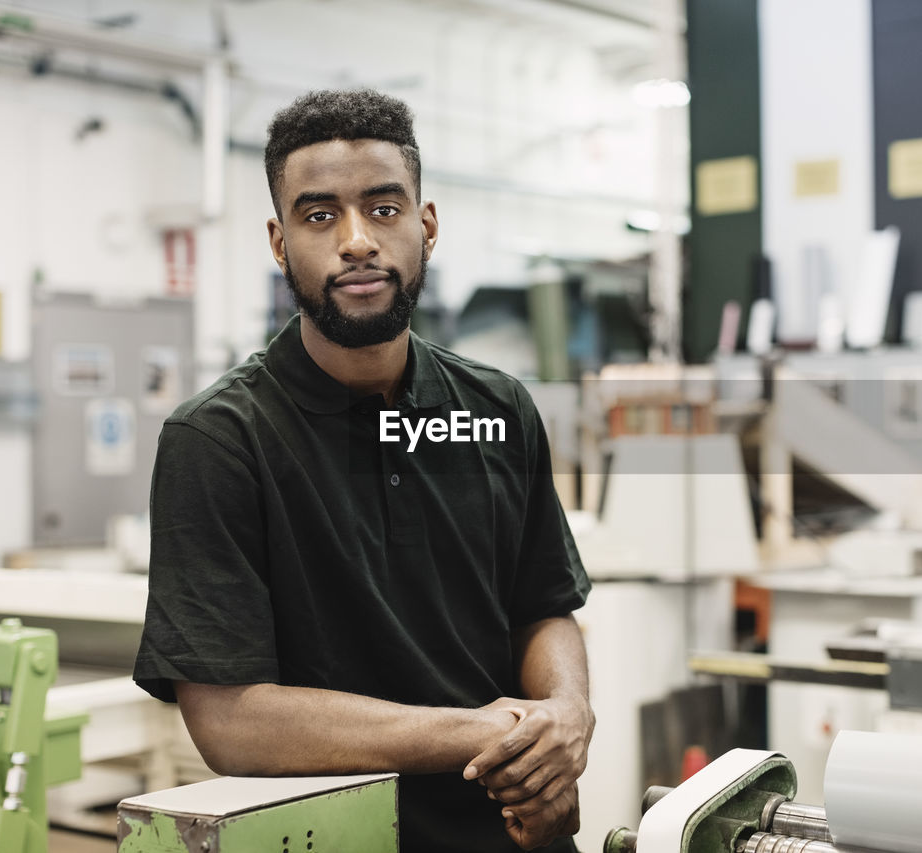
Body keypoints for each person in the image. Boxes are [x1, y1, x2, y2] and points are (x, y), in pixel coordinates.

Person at [133, 88, 593, 852]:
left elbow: (542, 606)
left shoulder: (499, 405)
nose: (356, 241)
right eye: (320, 216)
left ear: (427, 225)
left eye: (383, 209)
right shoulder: (219, 439)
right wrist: (492, 731)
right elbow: (229, 719)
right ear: (280, 244)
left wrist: (567, 717)